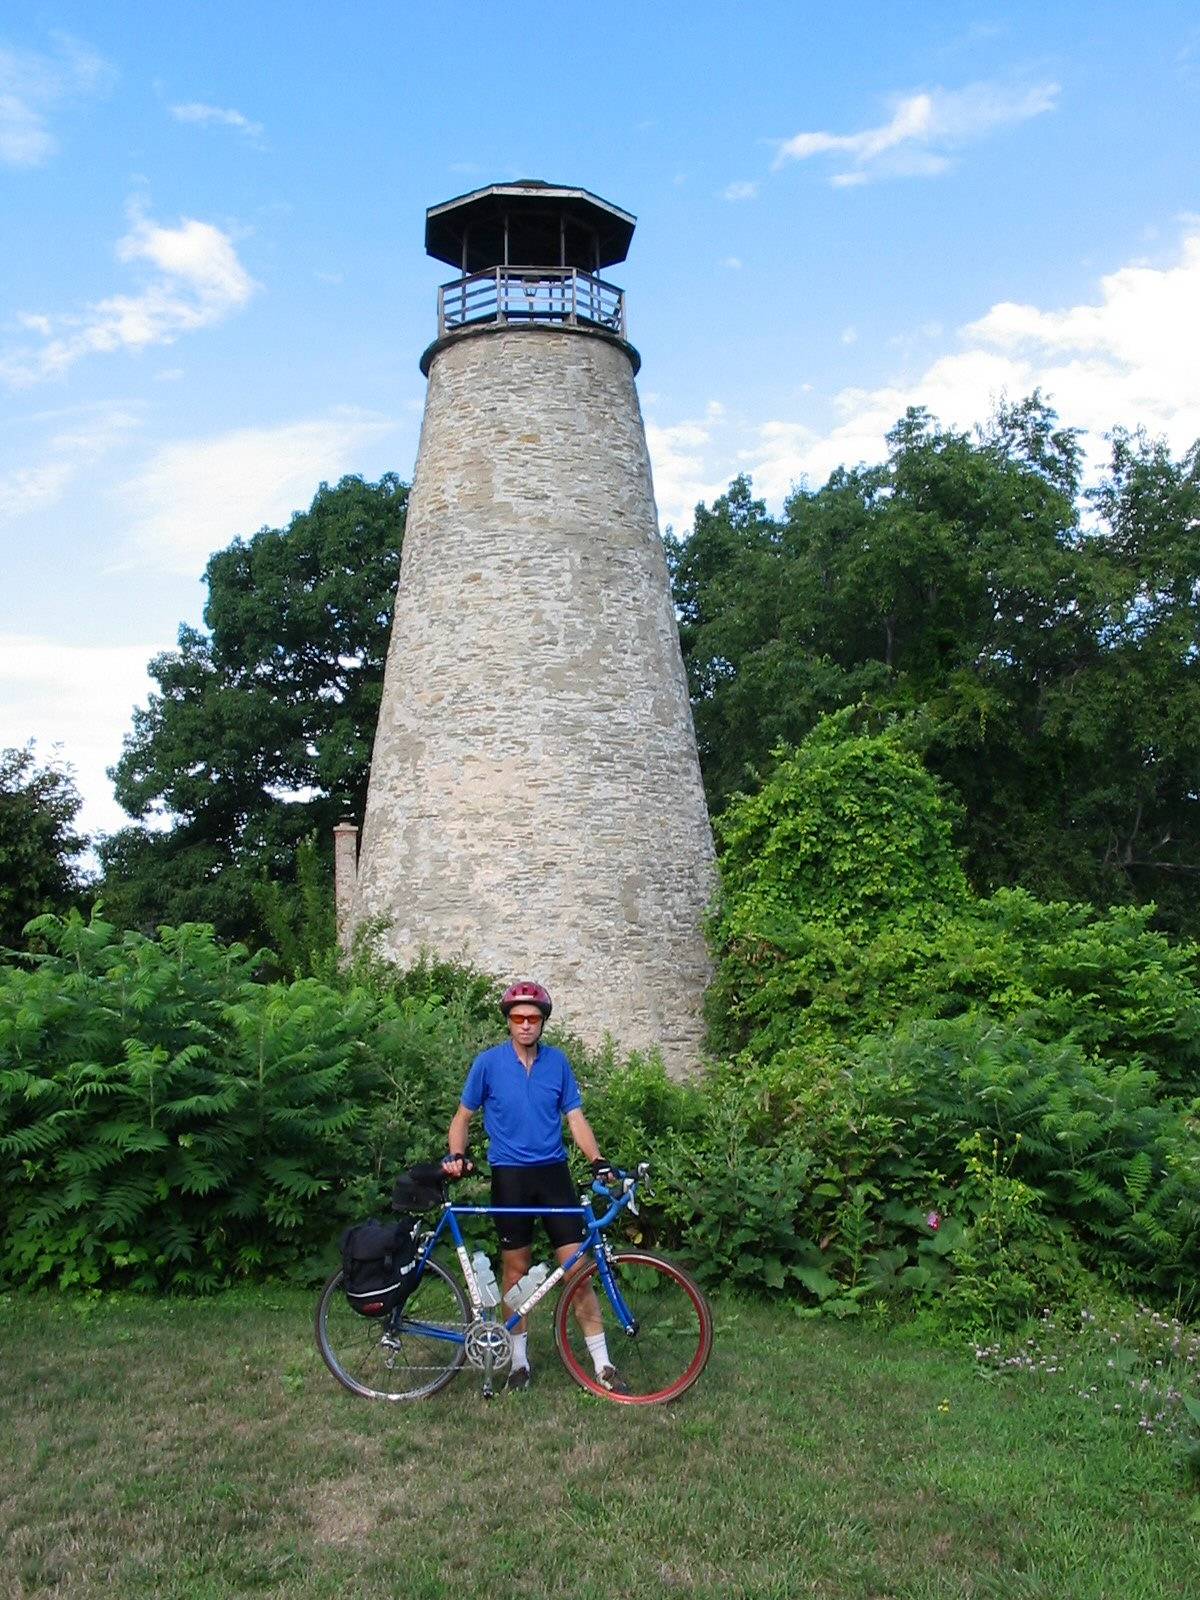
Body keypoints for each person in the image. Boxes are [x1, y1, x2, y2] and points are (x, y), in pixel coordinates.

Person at [442, 980, 628, 1394]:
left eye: (533, 1018)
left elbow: (575, 1118)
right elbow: (462, 1117)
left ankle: (602, 1364)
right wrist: (456, 1154)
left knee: (577, 1271)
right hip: (509, 1176)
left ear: (543, 1022)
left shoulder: (557, 1063)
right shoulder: (488, 1064)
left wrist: (597, 1160)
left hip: (553, 1175)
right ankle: (519, 1363)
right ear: (508, 1022)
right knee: (516, 1271)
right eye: (517, 1018)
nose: (525, 1025)